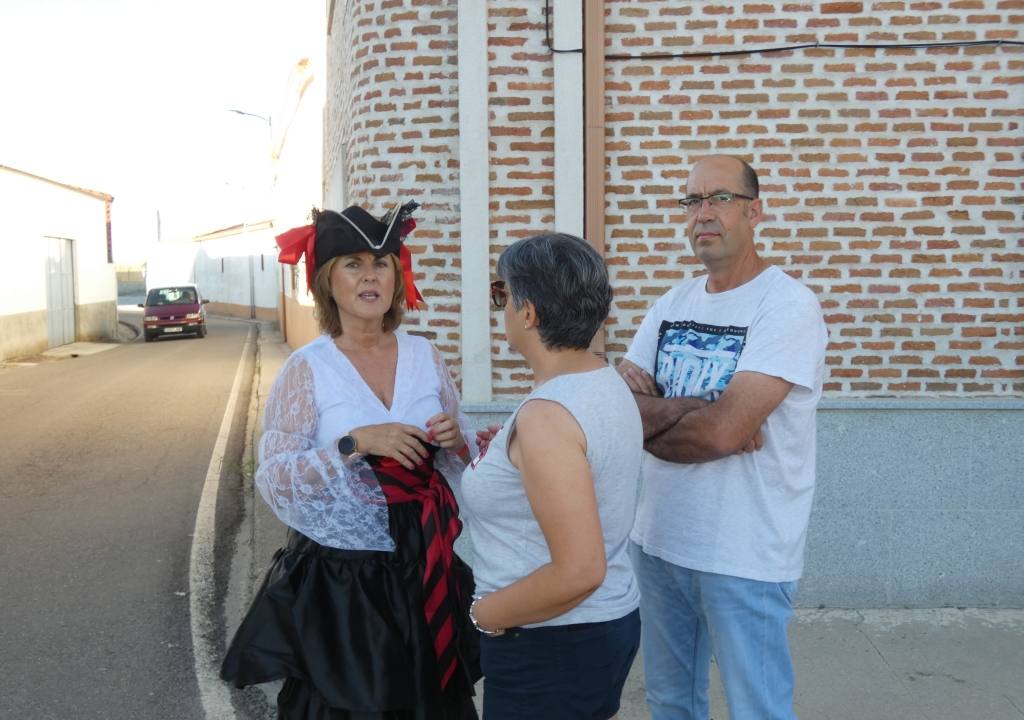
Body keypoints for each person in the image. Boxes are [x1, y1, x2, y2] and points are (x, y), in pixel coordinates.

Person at [221, 202, 481, 719]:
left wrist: (455, 439)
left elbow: (463, 451)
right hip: (345, 575)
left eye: (381, 264)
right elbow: (276, 478)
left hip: (425, 556)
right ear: (327, 282)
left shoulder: (425, 354)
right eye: (354, 264)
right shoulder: (308, 368)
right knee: (355, 703)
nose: (371, 276)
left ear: (396, 277)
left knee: (429, 700)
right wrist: (354, 443)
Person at [618, 155, 828, 720]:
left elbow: (721, 433)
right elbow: (623, 415)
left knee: (756, 707)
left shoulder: (787, 306)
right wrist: (700, 411)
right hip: (659, 541)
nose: (702, 213)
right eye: (692, 201)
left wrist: (659, 415)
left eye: (719, 198)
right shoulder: (672, 304)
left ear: (754, 211)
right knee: (670, 702)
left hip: (745, 552)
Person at [460, 233, 644, 720]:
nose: (500, 307)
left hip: (548, 640)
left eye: (503, 295)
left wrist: (483, 615)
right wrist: (509, 450)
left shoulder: (549, 415)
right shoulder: (602, 381)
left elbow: (580, 570)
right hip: (594, 629)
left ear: (529, 313)